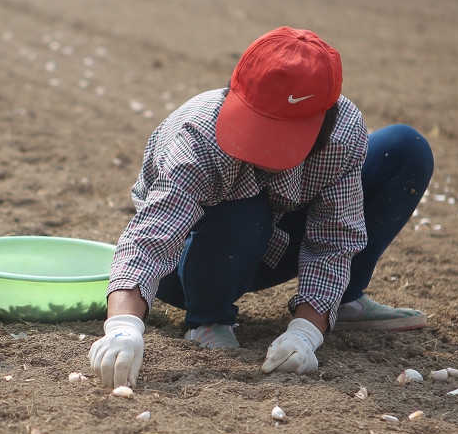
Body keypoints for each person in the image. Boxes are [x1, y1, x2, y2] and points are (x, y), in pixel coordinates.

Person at [89, 26, 433, 388]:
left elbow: (334, 237)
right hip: (192, 260)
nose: (261, 150)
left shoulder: (342, 133)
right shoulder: (197, 135)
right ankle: (209, 319)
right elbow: (152, 239)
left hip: (275, 241)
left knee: (404, 148)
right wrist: (123, 328)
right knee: (245, 208)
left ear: (323, 123)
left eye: (280, 136)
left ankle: (339, 303)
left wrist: (305, 332)